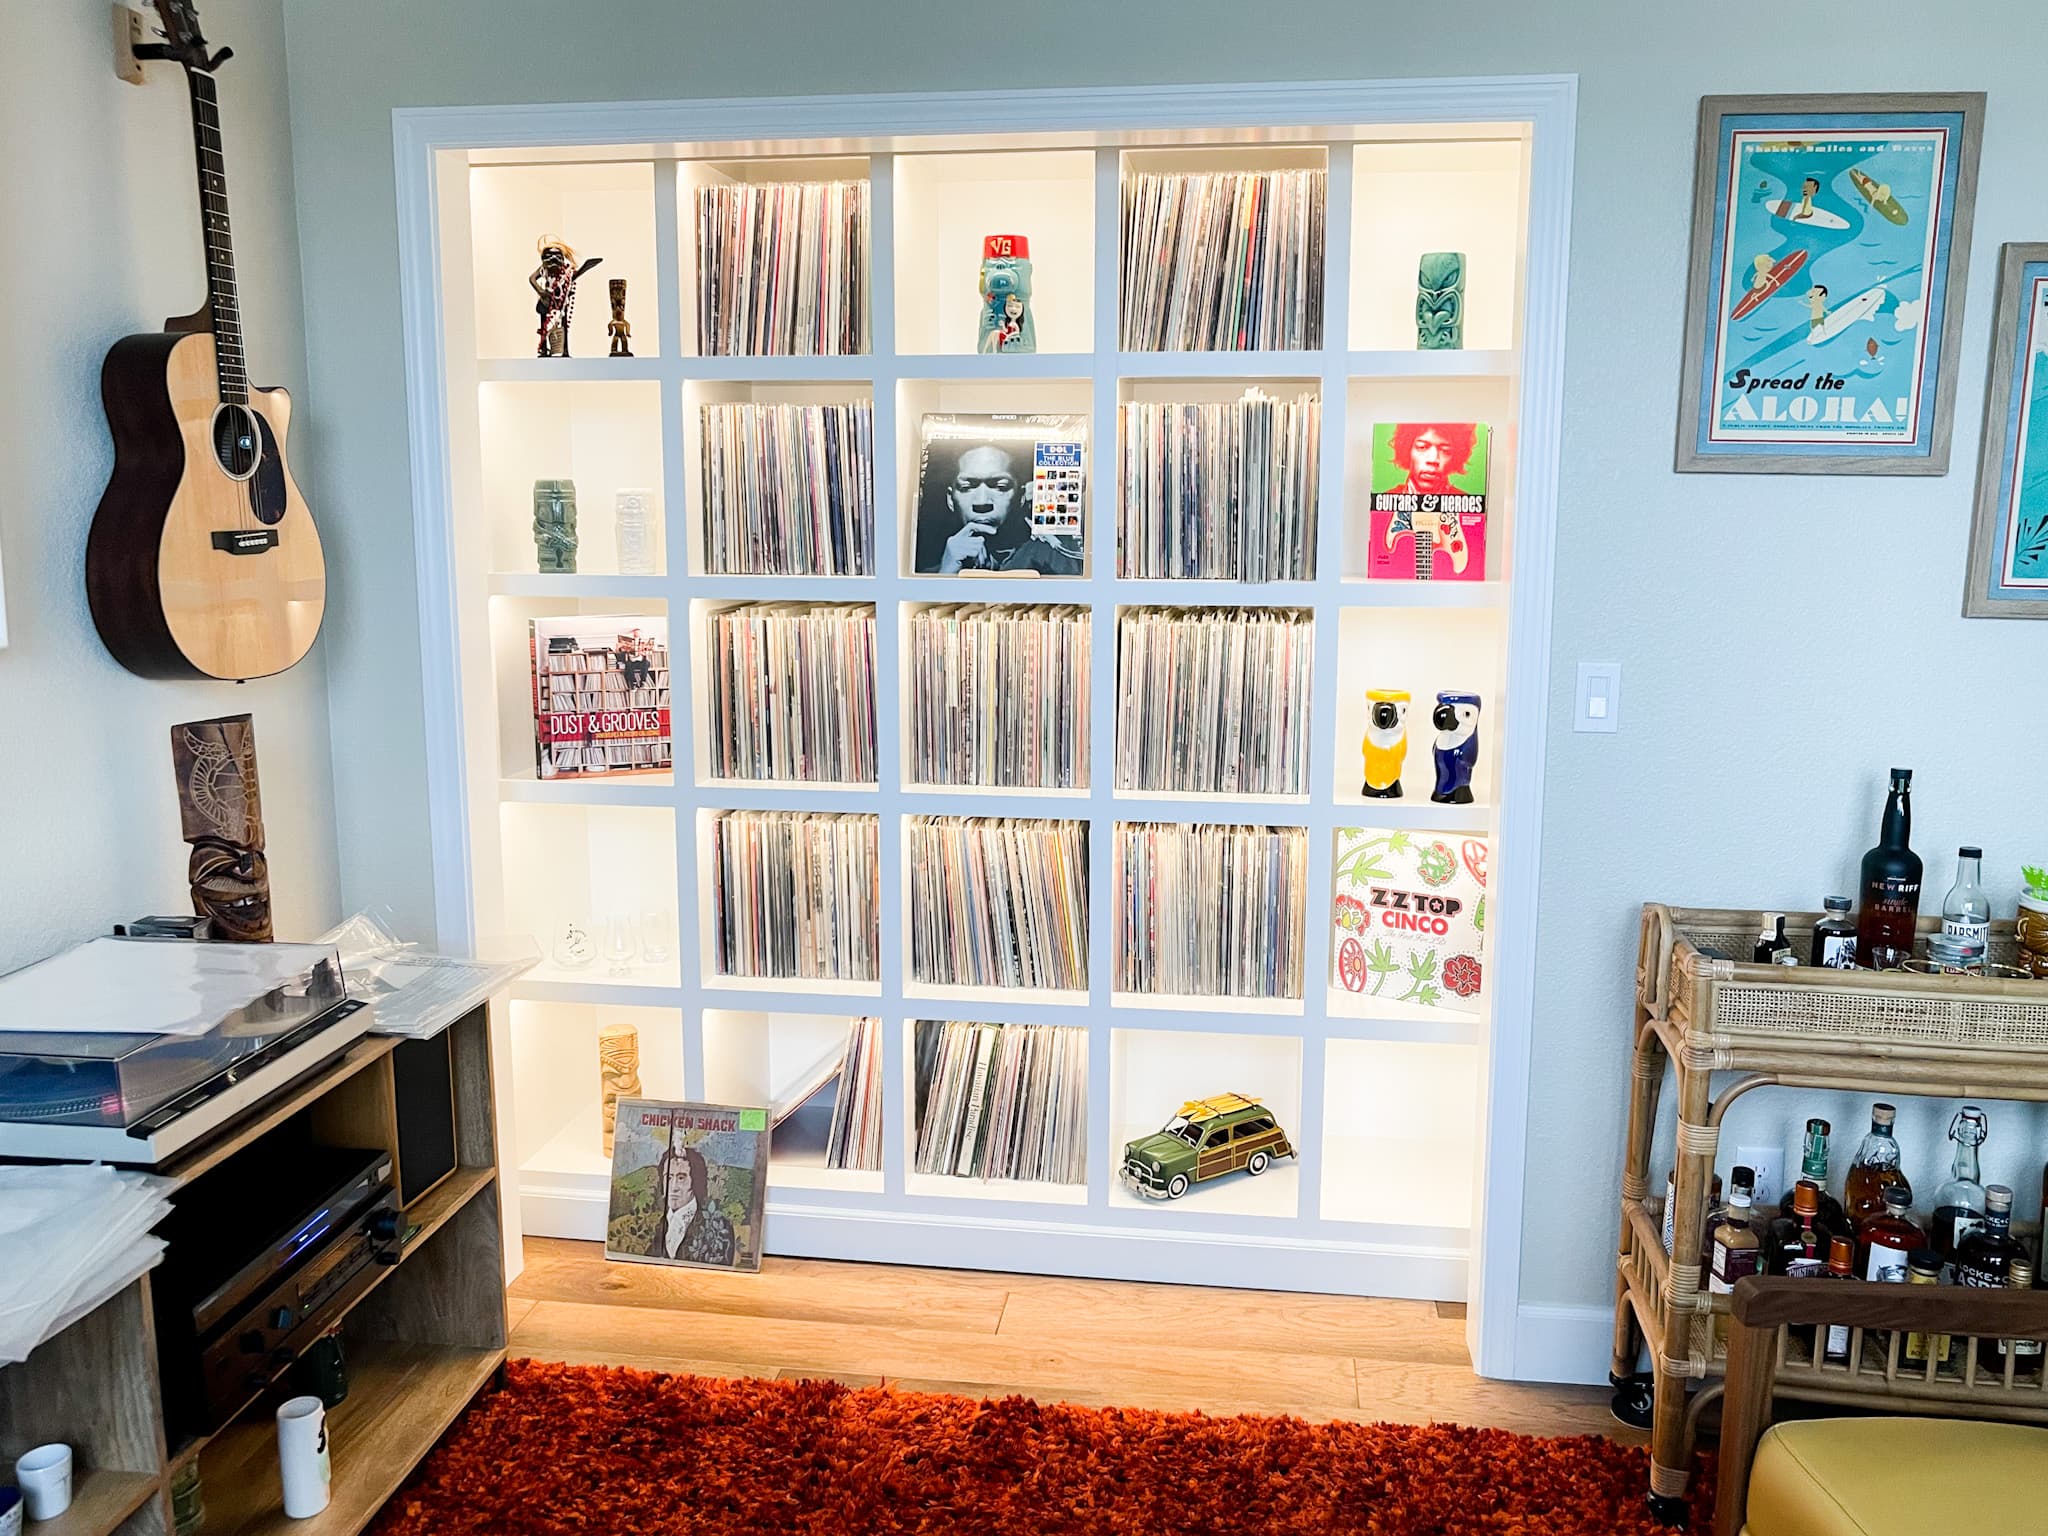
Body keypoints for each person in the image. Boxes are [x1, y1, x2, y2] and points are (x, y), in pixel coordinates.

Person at [919, 441, 1081, 574]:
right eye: (967, 487)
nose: (982, 502)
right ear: (950, 499)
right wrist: (947, 572)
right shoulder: (931, 574)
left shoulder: (1057, 559)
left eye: (999, 486)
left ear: (1022, 496)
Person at [656, 1123, 737, 1266]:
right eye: (668, 1178)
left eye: (681, 1178)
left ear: (696, 1181)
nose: (673, 1187)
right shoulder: (659, 1225)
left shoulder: (719, 1228)